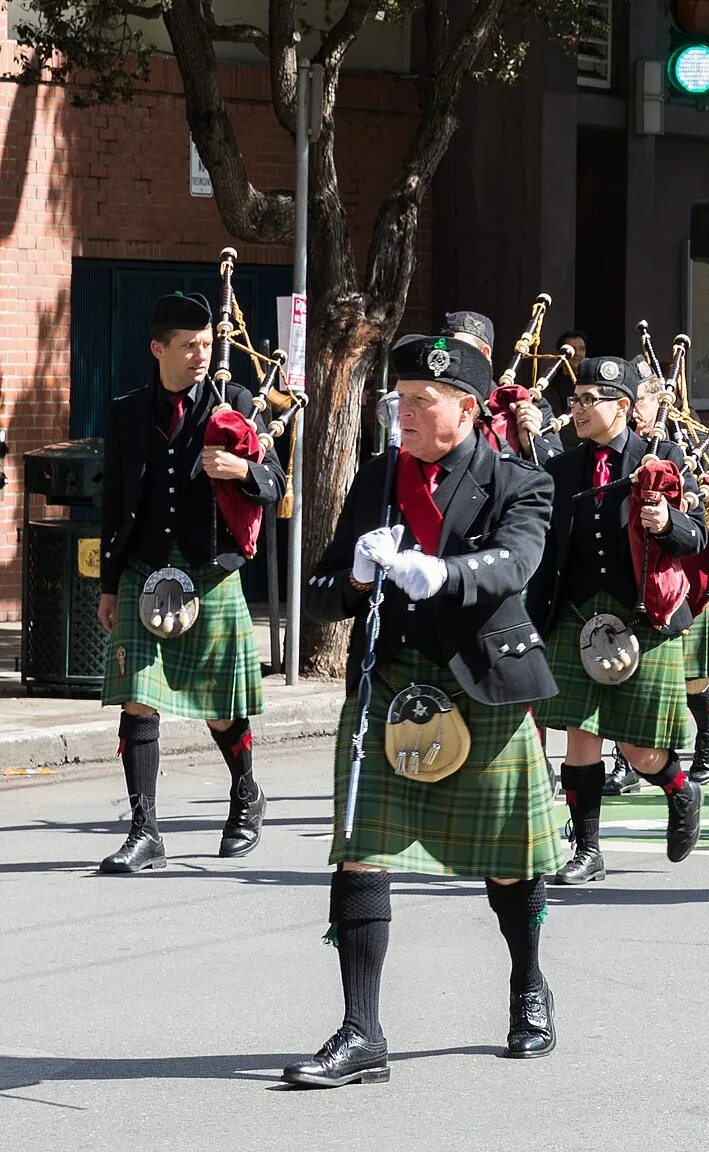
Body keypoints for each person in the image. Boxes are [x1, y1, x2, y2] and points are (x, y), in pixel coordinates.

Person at [292, 335, 563, 1086]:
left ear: (467, 409)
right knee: (359, 850)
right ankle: (361, 1032)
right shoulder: (379, 475)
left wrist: (439, 573)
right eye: (399, 398)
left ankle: (528, 986)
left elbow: (516, 563)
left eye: (421, 401)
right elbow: (319, 598)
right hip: (390, 686)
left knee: (510, 863)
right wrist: (351, 576)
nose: (403, 413)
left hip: (481, 682)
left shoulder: (520, 480)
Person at [95, 291, 286, 873]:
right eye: (188, 346)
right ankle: (145, 830)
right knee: (138, 699)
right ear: (158, 348)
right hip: (143, 569)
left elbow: (275, 484)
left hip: (209, 573)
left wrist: (242, 470)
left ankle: (247, 794)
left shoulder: (237, 405)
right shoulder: (128, 413)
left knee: (219, 708)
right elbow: (114, 503)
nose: (200, 355)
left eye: (206, 344)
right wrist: (108, 584)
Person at [528, 356, 709, 885]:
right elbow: (544, 547)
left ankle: (680, 788)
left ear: (624, 408)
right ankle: (588, 849)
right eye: (575, 399)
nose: (578, 410)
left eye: (590, 400)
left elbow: (696, 536)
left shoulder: (665, 456)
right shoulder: (562, 468)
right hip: (577, 615)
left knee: (638, 747)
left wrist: (667, 521)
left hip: (644, 618)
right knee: (579, 735)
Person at [630, 376, 709, 786]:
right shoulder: (611, 450)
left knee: (691, 675)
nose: (634, 409)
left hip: (680, 574)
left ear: (659, 403)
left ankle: (706, 733)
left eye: (640, 400)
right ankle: (626, 763)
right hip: (631, 575)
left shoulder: (684, 446)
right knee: (628, 674)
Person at [443, 310, 563, 464]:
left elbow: (556, 473)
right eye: (446, 351)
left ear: (485, 353)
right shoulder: (437, 403)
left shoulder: (530, 406)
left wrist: (529, 443)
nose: (451, 359)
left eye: (461, 351)